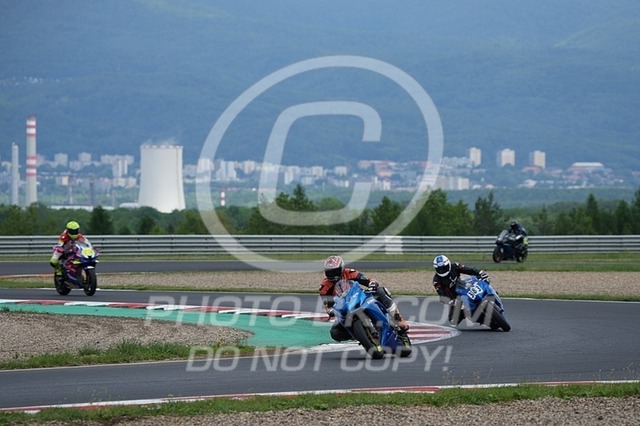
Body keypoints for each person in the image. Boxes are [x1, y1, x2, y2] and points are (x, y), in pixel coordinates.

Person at [319, 255, 409, 342]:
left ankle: (399, 320)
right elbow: (328, 306)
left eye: (335, 271)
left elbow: (367, 280)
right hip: (345, 309)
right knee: (335, 333)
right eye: (329, 272)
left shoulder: (349, 272)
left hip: (360, 298)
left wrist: (372, 284)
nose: (332, 275)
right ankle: (360, 335)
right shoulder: (324, 286)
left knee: (381, 291)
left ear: (341, 269)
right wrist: (331, 311)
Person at [432, 255, 490, 324]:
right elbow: (441, 294)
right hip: (455, 300)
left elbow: (468, 270)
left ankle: (490, 293)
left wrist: (480, 272)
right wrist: (450, 301)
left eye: (444, 268)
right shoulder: (436, 280)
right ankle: (473, 316)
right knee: (453, 320)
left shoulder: (455, 266)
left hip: (465, 288)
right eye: (439, 269)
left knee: (483, 281)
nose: (442, 271)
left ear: (448, 264)